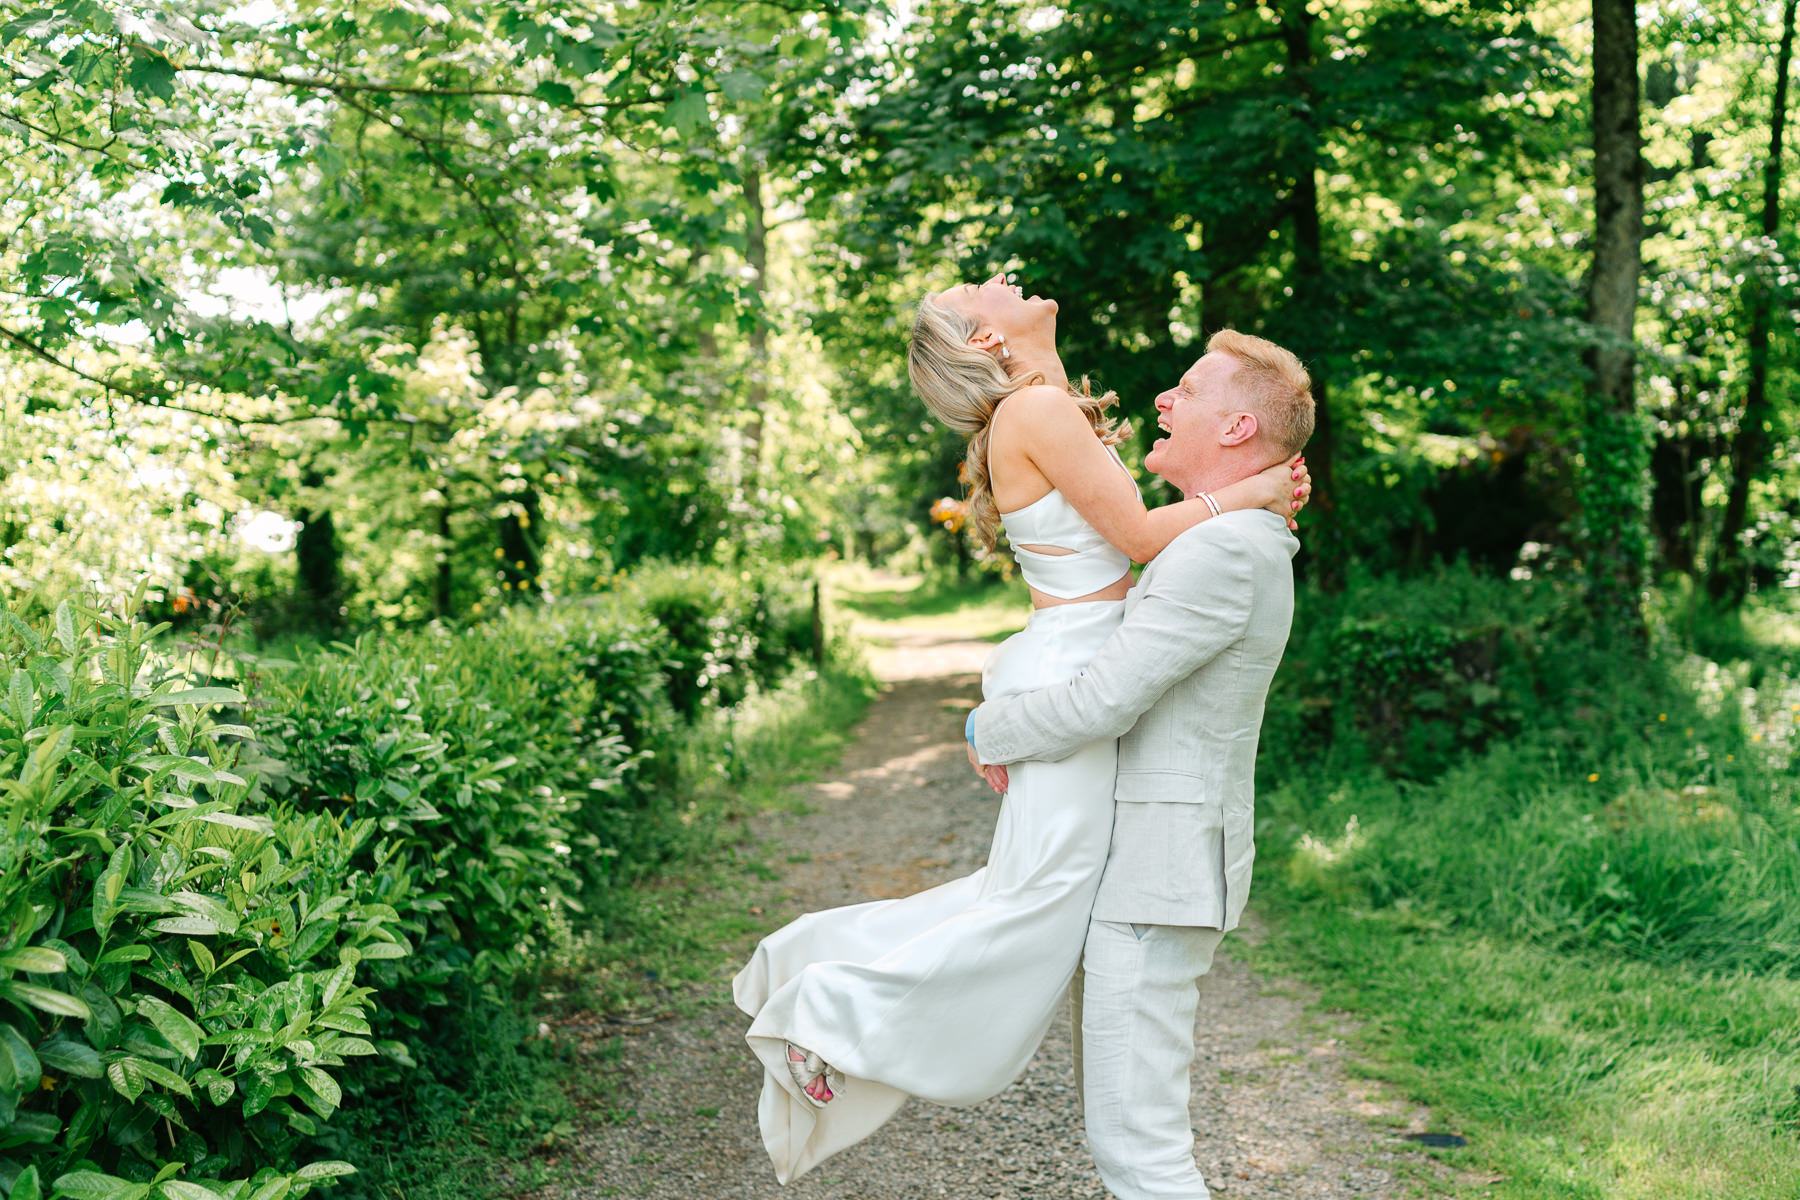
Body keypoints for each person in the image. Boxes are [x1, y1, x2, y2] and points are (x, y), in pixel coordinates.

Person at [731, 272, 1310, 1184]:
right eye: (980, 287)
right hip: (1072, 661)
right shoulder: (1038, 413)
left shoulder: (1049, 403)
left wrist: (1252, 496)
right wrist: (1255, 490)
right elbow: (1142, 540)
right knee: (1035, 897)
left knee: (1032, 892)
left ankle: (831, 999)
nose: (1002, 277)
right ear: (985, 341)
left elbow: (1133, 555)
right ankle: (834, 1009)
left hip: (1072, 658)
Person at [965, 329, 1314, 1200]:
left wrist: (986, 729)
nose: (1161, 399)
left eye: (1187, 390)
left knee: (1139, 1150)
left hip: (1158, 883)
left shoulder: (1222, 551)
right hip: (1151, 877)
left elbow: (1100, 703)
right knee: (1130, 1135)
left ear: (1236, 429)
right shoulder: (1221, 536)